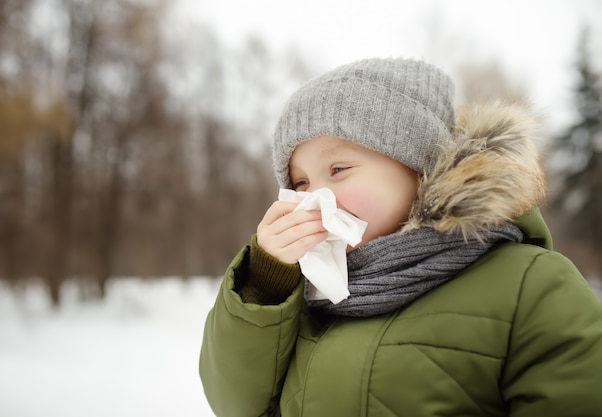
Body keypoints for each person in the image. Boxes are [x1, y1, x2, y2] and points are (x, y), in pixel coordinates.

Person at [198, 57, 602, 417]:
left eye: (338, 169)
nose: (315, 199)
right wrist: (265, 285)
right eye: (300, 182)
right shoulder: (307, 294)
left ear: (418, 167)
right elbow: (238, 406)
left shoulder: (532, 285)